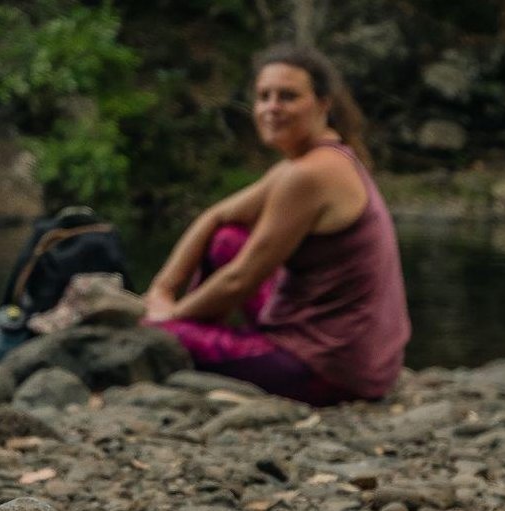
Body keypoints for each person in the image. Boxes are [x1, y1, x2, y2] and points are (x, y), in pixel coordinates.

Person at [144, 44, 411, 405]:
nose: (272, 108)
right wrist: (160, 290)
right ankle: (204, 332)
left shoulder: (311, 175)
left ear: (323, 104)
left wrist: (169, 316)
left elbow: (242, 279)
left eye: (288, 97)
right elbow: (215, 216)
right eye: (263, 96)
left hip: (330, 372)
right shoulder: (308, 163)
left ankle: (199, 336)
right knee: (226, 239)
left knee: (151, 336)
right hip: (354, 359)